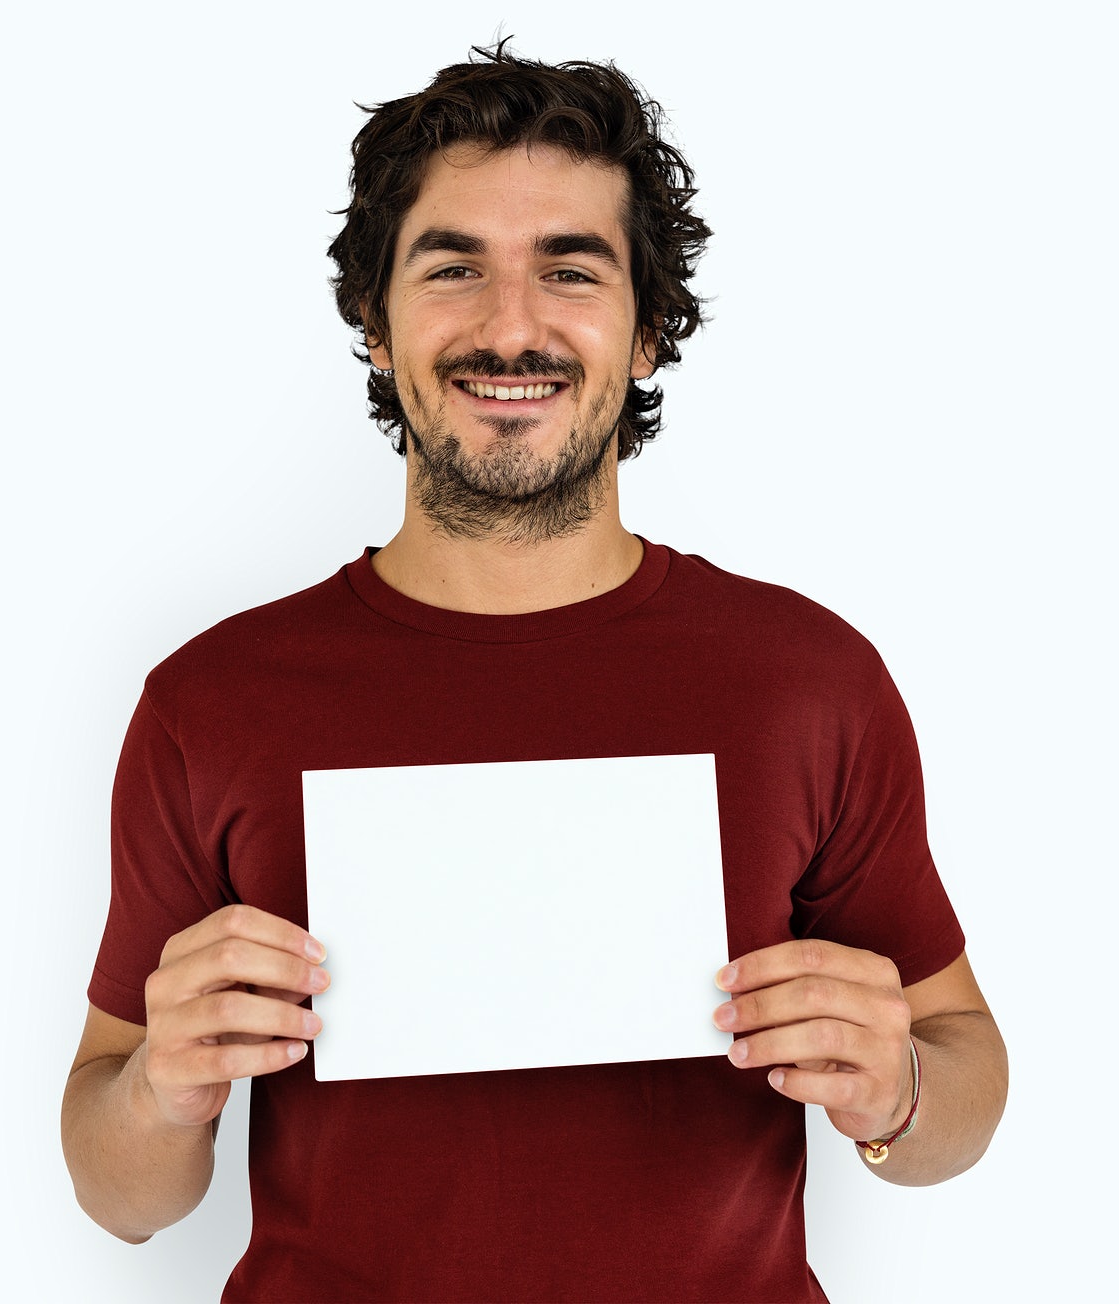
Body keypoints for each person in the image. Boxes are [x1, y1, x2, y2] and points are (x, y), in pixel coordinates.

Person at [62, 44, 1007, 1303]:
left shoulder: (808, 679)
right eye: (453, 268)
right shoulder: (212, 699)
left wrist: (896, 1088)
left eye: (570, 269)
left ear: (649, 329)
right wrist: (160, 1088)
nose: (512, 325)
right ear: (373, 318)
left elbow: (964, 1084)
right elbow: (120, 1191)